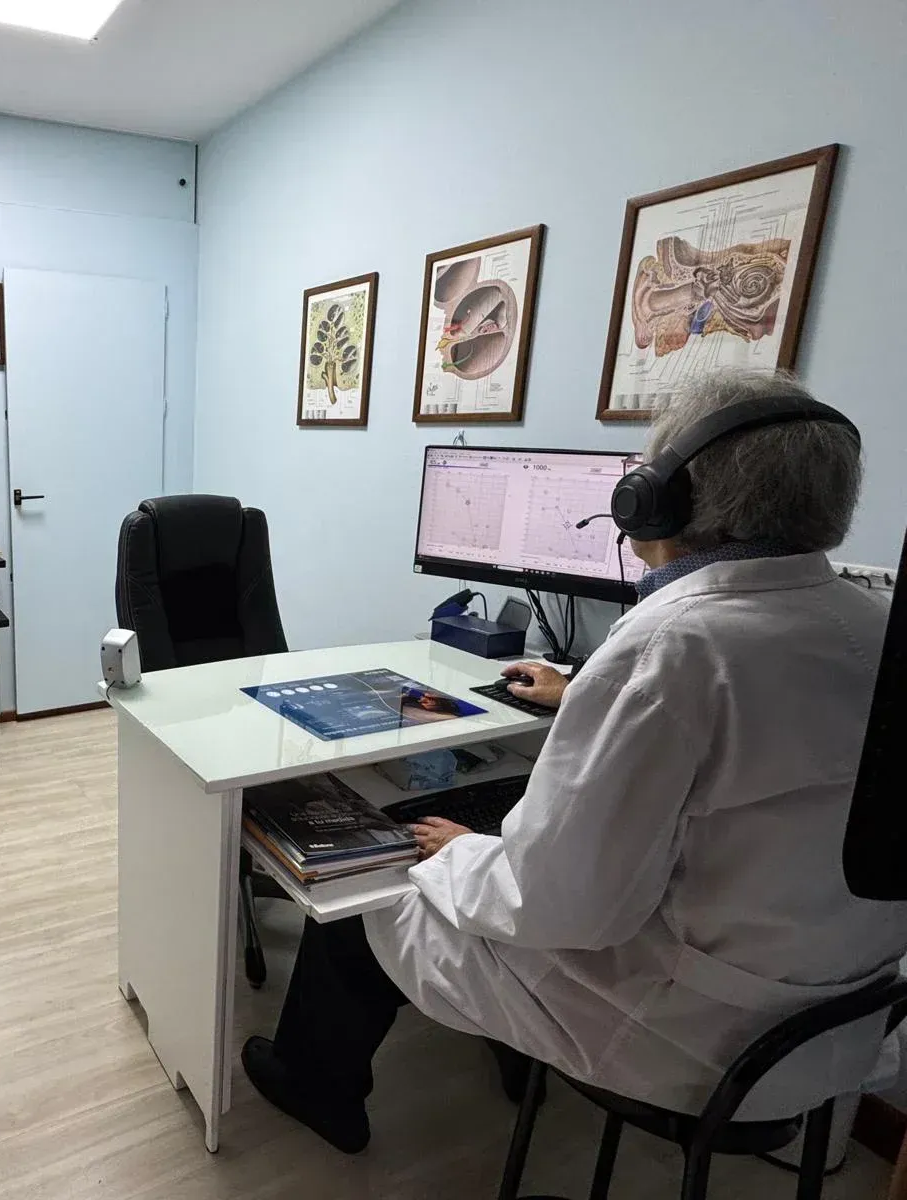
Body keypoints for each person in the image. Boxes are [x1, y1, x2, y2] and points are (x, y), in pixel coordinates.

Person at [242, 369, 907, 1154]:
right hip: (834, 1025)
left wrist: (463, 854)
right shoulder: (874, 620)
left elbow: (557, 905)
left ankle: (317, 1087)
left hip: (689, 1037)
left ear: (658, 501)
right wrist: (591, 692)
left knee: (368, 890)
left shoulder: (673, 647)